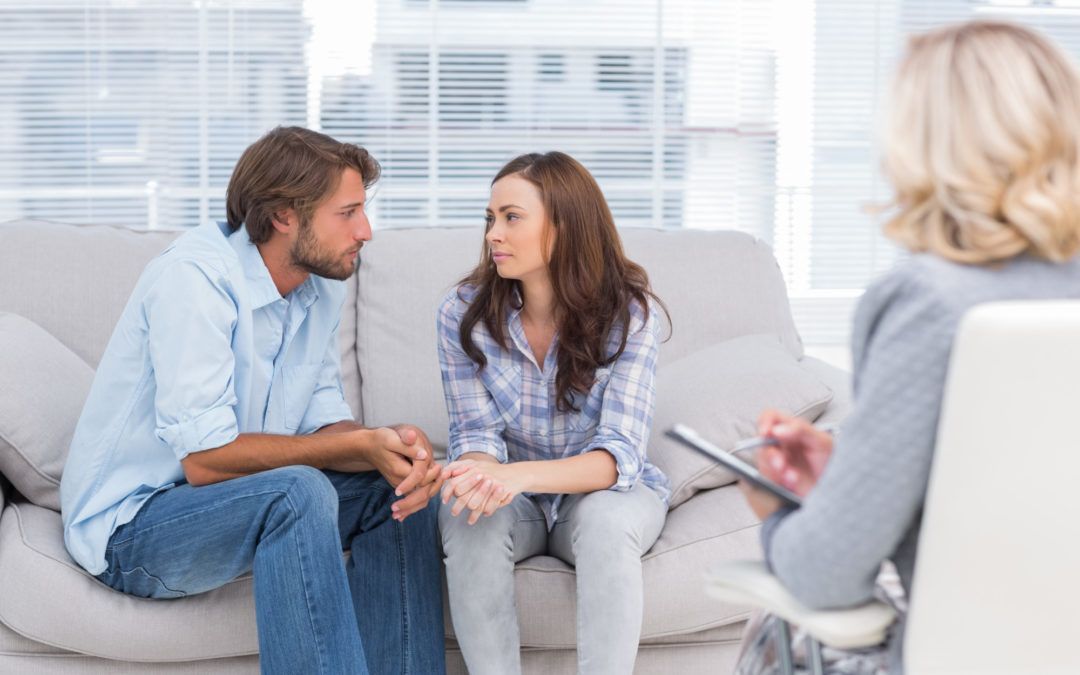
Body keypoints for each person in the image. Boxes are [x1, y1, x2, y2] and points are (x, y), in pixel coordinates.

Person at [735, 21, 1080, 674]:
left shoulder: (928, 300)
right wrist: (852, 475)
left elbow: (826, 574)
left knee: (777, 626)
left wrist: (780, 511)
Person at [60, 126, 446, 675]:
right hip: (133, 531)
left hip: (236, 504)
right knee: (298, 491)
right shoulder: (195, 280)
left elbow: (322, 427)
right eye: (348, 212)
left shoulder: (319, 286)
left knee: (399, 490)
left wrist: (384, 448)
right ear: (284, 215)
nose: (366, 231)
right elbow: (205, 460)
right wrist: (352, 445)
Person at [436, 151, 671, 674]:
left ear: (564, 225)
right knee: (465, 512)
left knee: (609, 522)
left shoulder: (630, 315)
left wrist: (513, 475)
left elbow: (618, 457)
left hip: (600, 495)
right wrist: (479, 475)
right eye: (490, 219)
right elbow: (475, 432)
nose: (494, 233)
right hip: (514, 502)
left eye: (512, 217)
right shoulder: (462, 312)